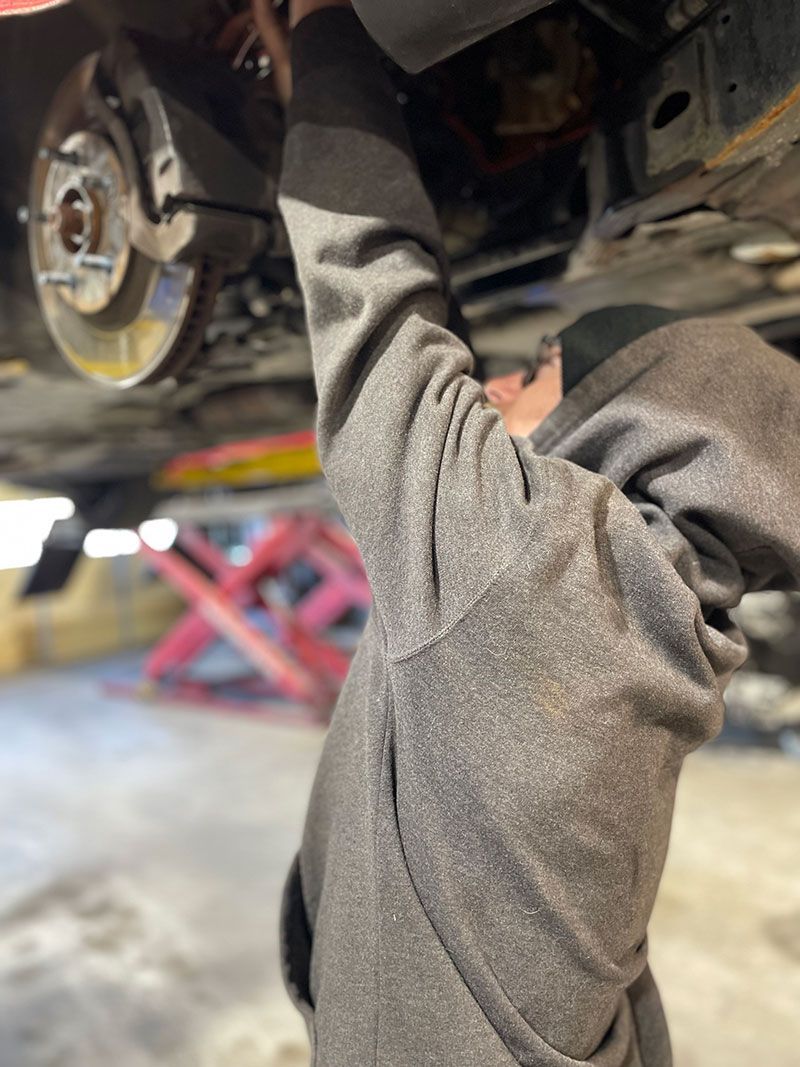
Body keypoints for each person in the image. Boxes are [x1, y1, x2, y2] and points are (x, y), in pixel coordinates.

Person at [249, 1, 800, 1062]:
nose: (498, 377)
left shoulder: (554, 590)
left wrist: (325, 37)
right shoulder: (616, 609)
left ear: (620, 426)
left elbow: (374, 305)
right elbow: (414, 369)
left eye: (539, 364)